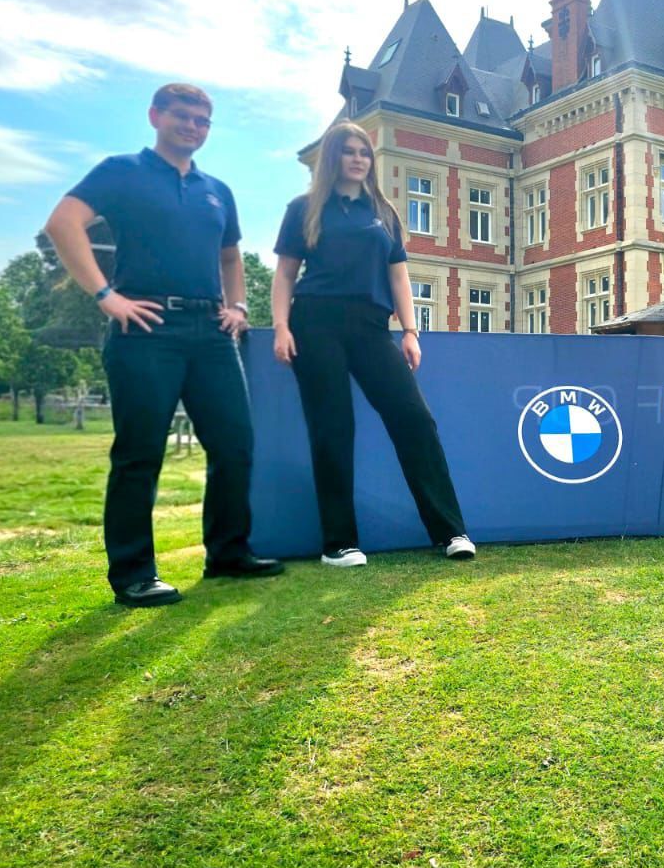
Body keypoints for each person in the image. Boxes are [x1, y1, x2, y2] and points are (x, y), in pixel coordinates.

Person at [44, 83, 283, 608]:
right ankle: (133, 574)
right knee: (140, 453)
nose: (193, 126)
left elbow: (230, 257)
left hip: (211, 332)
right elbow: (63, 224)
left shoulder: (216, 190)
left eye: (202, 120)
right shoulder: (121, 171)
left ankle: (228, 553)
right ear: (155, 115)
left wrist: (239, 307)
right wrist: (106, 296)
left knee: (235, 444)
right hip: (145, 329)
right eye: (183, 116)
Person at [271, 121, 476, 566]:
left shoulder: (383, 211)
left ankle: (450, 531)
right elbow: (285, 274)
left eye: (364, 152)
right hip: (315, 324)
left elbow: (398, 275)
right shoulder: (304, 209)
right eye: (349, 151)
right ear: (333, 157)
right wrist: (281, 327)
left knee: (414, 418)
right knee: (332, 428)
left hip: (371, 327)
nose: (358, 159)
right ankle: (339, 544)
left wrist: (410, 331)